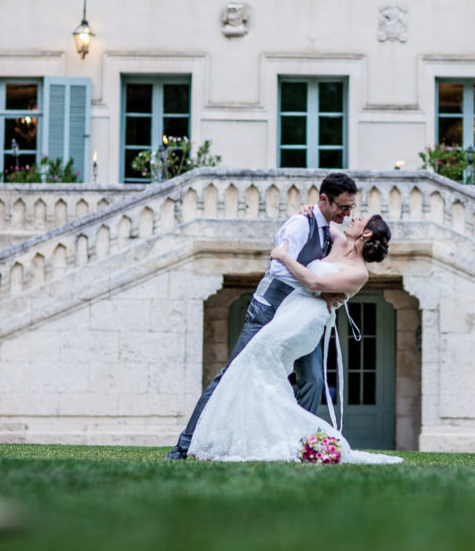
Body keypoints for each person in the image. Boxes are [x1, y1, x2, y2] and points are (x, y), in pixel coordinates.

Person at [165, 173, 358, 460]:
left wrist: (320, 290)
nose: (347, 213)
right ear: (323, 200)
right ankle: (184, 445)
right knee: (230, 376)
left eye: (351, 207)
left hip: (300, 317)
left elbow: (348, 245)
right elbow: (278, 267)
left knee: (314, 380)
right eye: (343, 207)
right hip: (268, 312)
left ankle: (298, 446)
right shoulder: (299, 224)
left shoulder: (327, 227)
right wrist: (316, 289)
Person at [187, 213, 402, 464]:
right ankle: (263, 435)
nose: (354, 217)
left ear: (366, 233)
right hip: (289, 309)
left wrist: (284, 257)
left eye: (361, 219)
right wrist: (307, 208)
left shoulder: (359, 273)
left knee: (258, 366)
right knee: (257, 369)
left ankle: (277, 436)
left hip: (304, 321)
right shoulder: (341, 241)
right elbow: (321, 220)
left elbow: (313, 281)